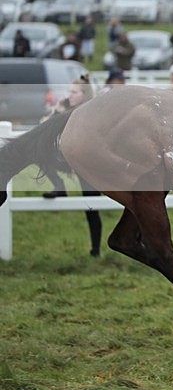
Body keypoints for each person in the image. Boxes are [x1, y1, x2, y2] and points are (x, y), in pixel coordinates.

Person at [42, 77, 104, 256]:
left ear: (84, 95)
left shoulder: (91, 112)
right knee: (41, 156)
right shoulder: (68, 110)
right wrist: (57, 111)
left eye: (74, 92)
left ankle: (96, 249)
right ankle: (59, 186)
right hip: (70, 160)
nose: (70, 95)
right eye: (69, 92)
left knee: (91, 207)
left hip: (89, 165)